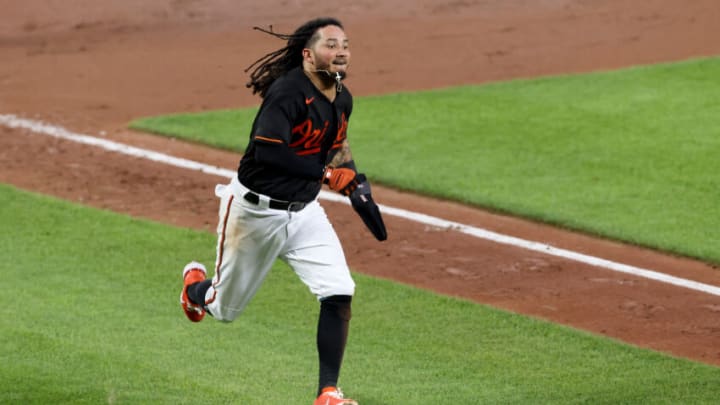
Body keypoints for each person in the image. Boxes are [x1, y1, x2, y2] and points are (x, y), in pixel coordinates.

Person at [179, 17, 376, 405]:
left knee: (339, 290)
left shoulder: (342, 97)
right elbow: (269, 151)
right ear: (307, 54)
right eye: (330, 45)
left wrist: (353, 182)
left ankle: (328, 393)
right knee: (225, 310)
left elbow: (336, 144)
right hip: (255, 214)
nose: (341, 51)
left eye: (345, 45)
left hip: (305, 213)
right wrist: (326, 175)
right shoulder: (287, 94)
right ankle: (194, 290)